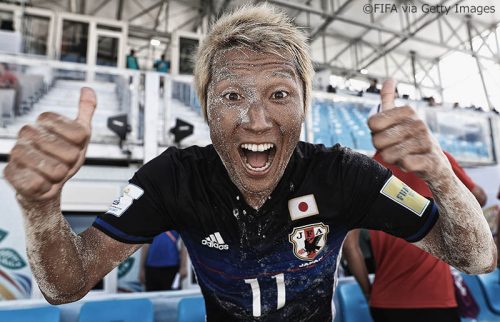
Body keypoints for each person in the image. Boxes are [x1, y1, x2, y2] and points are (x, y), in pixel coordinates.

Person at [3, 4, 496, 321]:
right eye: (232, 94)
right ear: (205, 108)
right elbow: (65, 285)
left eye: (279, 94)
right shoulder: (174, 177)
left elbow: (476, 258)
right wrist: (42, 207)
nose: (256, 120)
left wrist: (439, 174)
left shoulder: (344, 174)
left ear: (305, 106)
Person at [343, 150, 487, 322]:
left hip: (385, 301)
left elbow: (350, 247)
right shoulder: (436, 157)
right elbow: (479, 198)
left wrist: (368, 291)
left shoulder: (364, 171)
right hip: (435, 297)